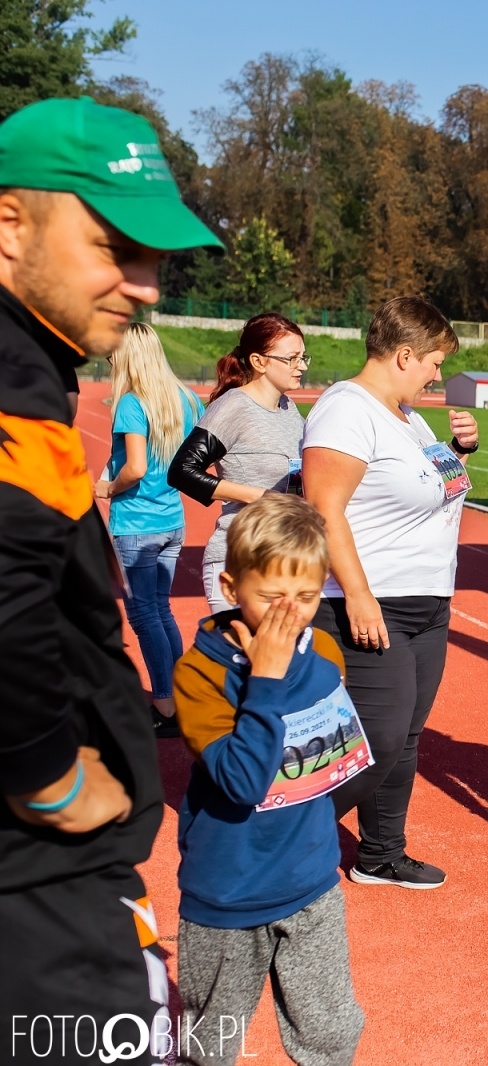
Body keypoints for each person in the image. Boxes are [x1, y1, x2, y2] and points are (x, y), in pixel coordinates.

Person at [0, 96, 221, 1055]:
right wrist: (48, 774)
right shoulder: (11, 377)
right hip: (39, 893)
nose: (145, 286)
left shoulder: (33, 365)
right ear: (9, 222)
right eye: (113, 246)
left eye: (155, 260)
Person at [171, 493, 364, 1066]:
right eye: (272, 597)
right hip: (229, 889)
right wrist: (268, 680)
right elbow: (243, 782)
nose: (291, 613)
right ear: (231, 589)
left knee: (331, 1033)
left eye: (306, 597)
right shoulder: (199, 674)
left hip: (311, 880)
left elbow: (333, 754)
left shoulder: (326, 649)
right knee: (212, 1042)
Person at [301, 296, 477, 890]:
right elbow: (324, 509)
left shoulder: (408, 416)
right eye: (433, 362)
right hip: (374, 601)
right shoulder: (345, 411)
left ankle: (379, 853)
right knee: (375, 737)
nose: (438, 375)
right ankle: (279, 843)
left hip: (427, 601)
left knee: (405, 738)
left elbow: (435, 488)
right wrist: (357, 595)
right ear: (404, 355)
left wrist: (460, 455)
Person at [98, 321, 203, 740]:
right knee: (161, 610)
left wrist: (107, 486)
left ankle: (164, 704)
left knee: (144, 614)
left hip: (137, 522)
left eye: (111, 356)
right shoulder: (186, 398)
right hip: (172, 520)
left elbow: (136, 468)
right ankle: (177, 695)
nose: (108, 363)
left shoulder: (131, 402)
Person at [169, 312, 308, 615]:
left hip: (285, 557)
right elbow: (181, 471)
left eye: (303, 357)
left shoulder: (289, 409)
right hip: (242, 560)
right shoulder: (234, 406)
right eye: (292, 358)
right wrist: (261, 497)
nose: (302, 366)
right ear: (259, 362)